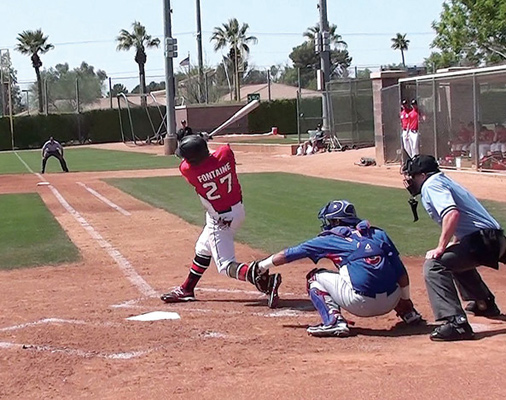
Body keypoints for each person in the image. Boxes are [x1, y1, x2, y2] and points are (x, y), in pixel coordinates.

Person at [250, 199, 423, 337]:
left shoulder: (330, 239)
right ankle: (408, 313)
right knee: (384, 269)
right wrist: (405, 301)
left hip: (361, 305)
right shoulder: (378, 233)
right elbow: (402, 273)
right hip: (392, 300)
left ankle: (334, 321)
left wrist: (262, 265)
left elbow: (291, 254)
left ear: (336, 221)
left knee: (314, 277)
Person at [161, 134, 282, 308]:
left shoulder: (188, 170)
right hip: (236, 211)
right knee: (203, 248)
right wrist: (203, 141)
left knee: (225, 266)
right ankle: (187, 289)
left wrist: (200, 142)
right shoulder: (226, 153)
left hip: (220, 220)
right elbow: (216, 151)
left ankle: (263, 277)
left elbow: (193, 161)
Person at [403, 155, 506, 341]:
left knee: (435, 265)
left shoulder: (431, 185)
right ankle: (484, 303)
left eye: (412, 175)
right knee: (453, 257)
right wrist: (452, 243)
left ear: (422, 175)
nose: (409, 180)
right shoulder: (443, 180)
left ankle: (456, 323)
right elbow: (467, 221)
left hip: (484, 241)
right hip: (494, 241)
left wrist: (440, 247)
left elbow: (452, 214)